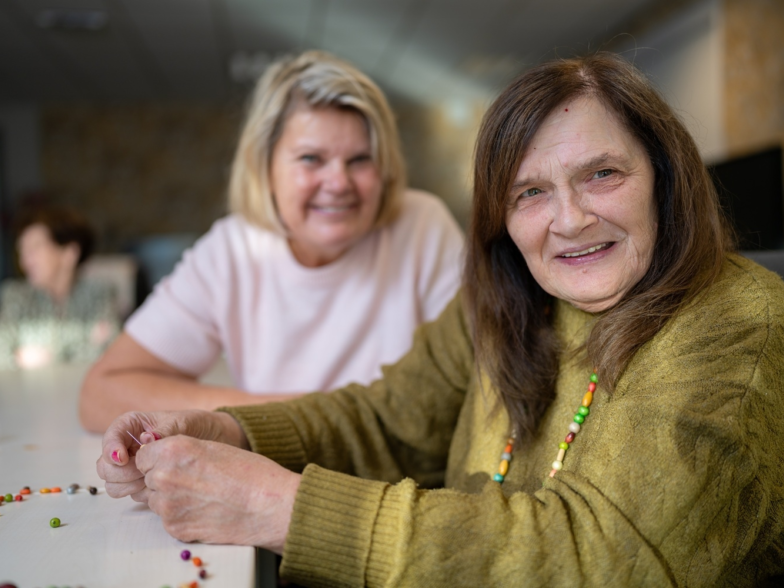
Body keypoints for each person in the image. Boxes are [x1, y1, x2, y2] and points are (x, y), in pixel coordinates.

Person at [97, 52, 784, 587]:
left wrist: (278, 507)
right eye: (531, 191)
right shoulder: (511, 294)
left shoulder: (735, 325)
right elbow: (387, 420)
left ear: (667, 176)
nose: (570, 219)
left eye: (602, 173)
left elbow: (604, 557)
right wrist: (229, 430)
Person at [79, 51, 464, 432]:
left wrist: (286, 419)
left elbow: (476, 383)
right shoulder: (232, 250)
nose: (339, 183)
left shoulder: (422, 226)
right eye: (311, 158)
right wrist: (304, 414)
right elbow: (101, 394)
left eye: (360, 159)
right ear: (265, 168)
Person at [0, 208, 120, 370]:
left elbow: (110, 354)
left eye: (35, 248)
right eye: (22, 250)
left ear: (69, 253)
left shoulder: (100, 293)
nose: (24, 260)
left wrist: (35, 357)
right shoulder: (14, 295)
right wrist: (84, 345)